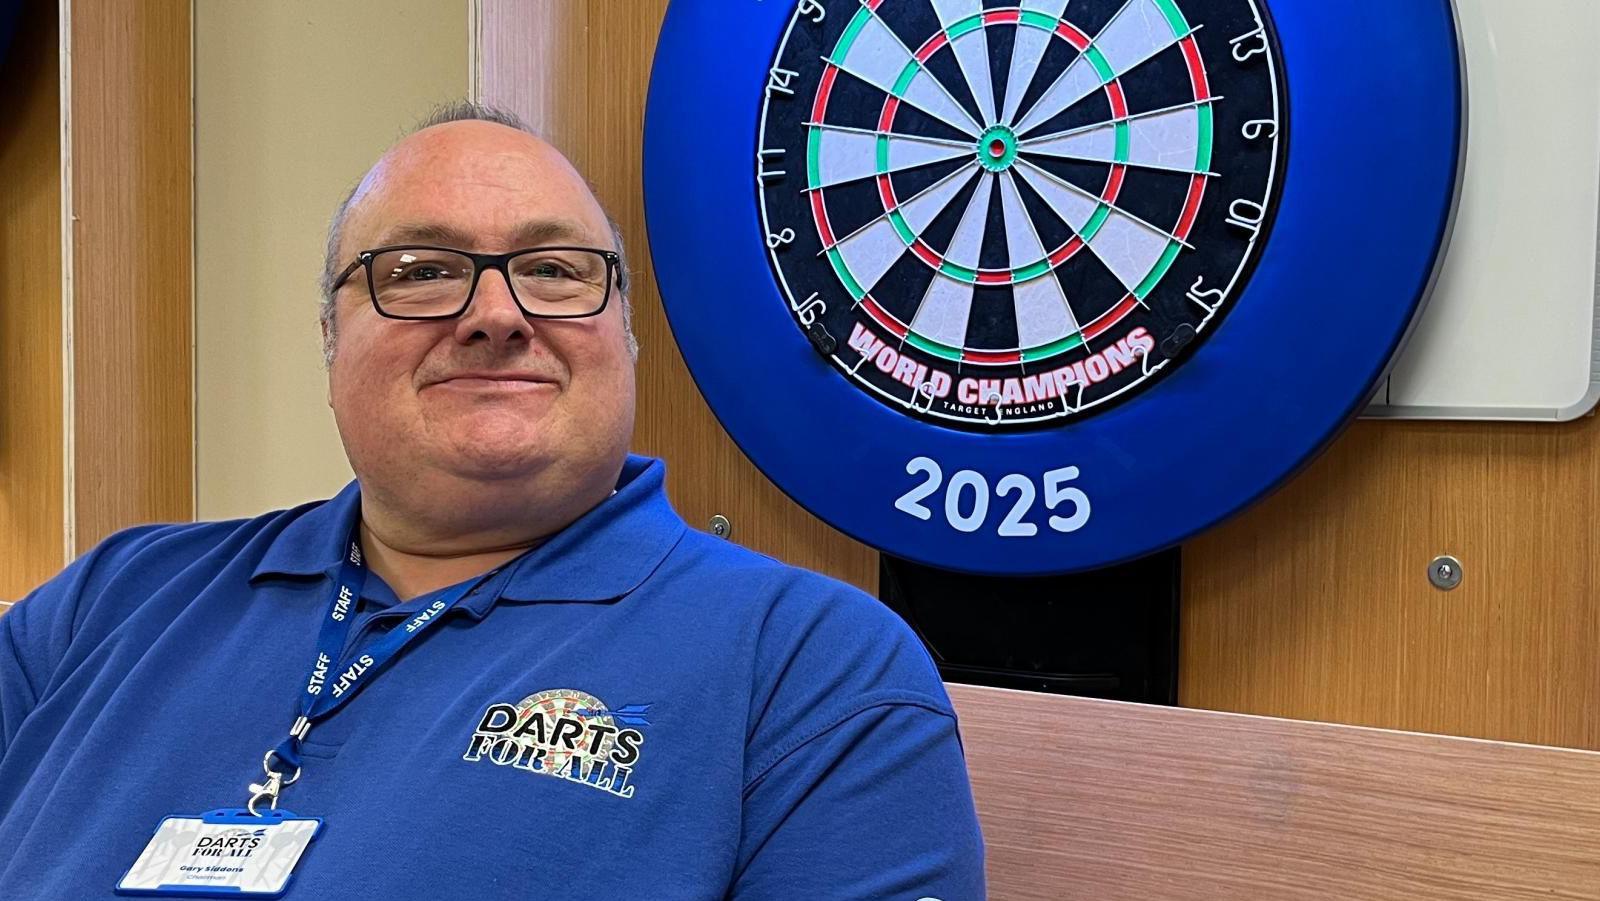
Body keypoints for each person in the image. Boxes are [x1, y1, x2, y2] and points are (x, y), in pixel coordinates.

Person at [0, 102, 985, 899]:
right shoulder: (111, 599)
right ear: (330, 339)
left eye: (553, 271)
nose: (495, 316)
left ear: (626, 338)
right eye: (421, 272)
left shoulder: (813, 670)